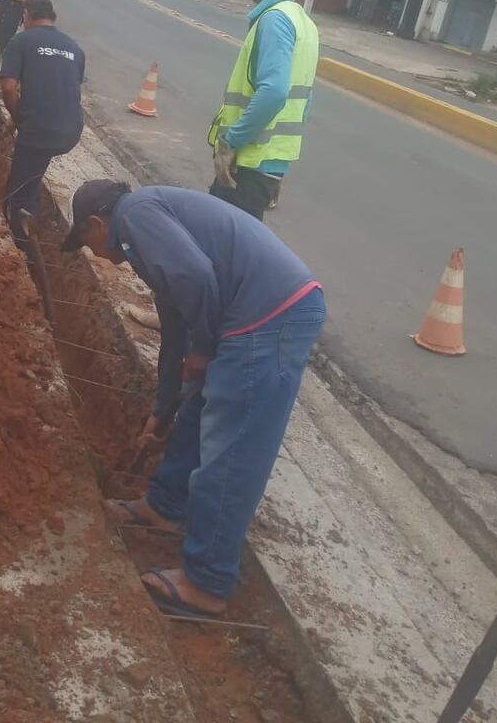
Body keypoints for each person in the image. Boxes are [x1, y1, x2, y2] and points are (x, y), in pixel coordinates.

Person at [61, 180, 325, 618]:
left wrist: (202, 351)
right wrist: (163, 409)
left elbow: (199, 280)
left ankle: (207, 582)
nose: (92, 252)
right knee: (198, 412)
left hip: (271, 315)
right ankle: (165, 506)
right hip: (249, 312)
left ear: (96, 222)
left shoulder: (135, 216)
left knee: (232, 448)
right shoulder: (145, 236)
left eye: (86, 242)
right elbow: (175, 332)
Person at [208, 0, 319, 221]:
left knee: (219, 251)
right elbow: (303, 102)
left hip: (246, 167)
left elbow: (275, 92)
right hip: (265, 167)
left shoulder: (275, 20)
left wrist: (231, 142)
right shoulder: (304, 23)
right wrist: (276, 169)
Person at [0, 0, 85, 251]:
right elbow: (62, 88)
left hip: (40, 130)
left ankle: (23, 246)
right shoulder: (75, 49)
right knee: (32, 172)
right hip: (71, 130)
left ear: (27, 15)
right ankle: (28, 211)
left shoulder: (22, 41)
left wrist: (17, 119)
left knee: (19, 191)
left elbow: (8, 88)